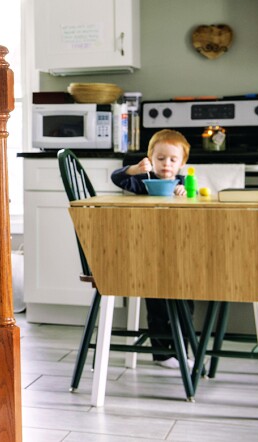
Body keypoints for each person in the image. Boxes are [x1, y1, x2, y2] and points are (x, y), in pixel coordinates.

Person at [110, 129, 193, 369]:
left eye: (172, 159)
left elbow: (196, 205)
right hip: (149, 254)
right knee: (157, 305)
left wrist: (185, 195)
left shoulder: (183, 185)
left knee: (186, 303)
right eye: (160, 158)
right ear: (151, 159)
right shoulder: (143, 182)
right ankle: (161, 353)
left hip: (179, 256)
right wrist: (134, 169)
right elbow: (117, 178)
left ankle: (182, 352)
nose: (166, 164)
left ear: (182, 163)